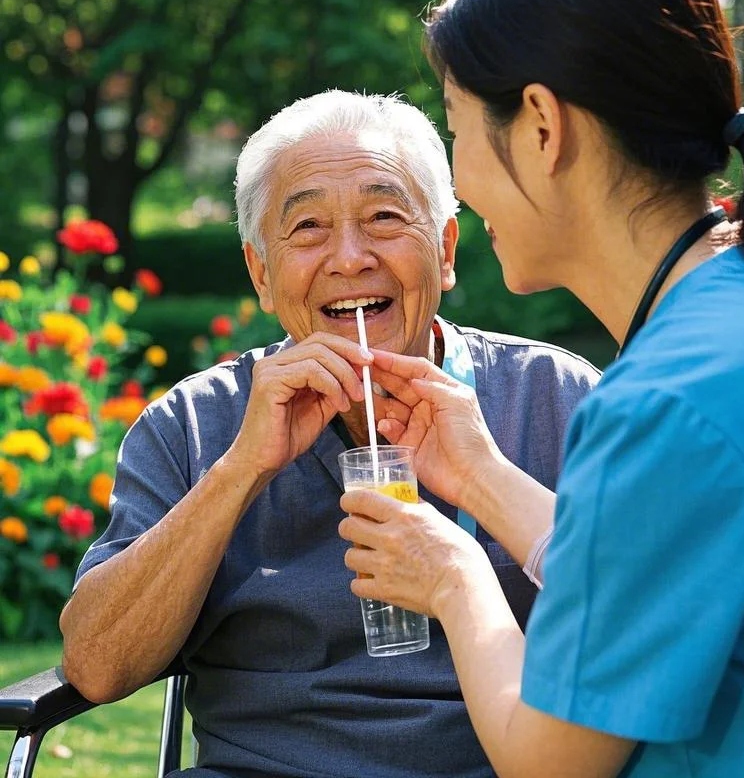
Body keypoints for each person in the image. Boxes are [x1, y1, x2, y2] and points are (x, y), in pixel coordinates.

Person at [338, 0, 744, 778]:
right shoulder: (735, 317)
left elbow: (552, 761)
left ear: (541, 125)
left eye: (457, 129)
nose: (457, 185)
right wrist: (485, 480)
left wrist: (454, 574)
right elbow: (661, 566)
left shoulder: (660, 401)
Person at [59, 89, 600, 778]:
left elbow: (650, 626)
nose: (349, 257)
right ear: (261, 272)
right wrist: (239, 472)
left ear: (446, 247)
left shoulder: (557, 398)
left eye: (383, 216)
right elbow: (96, 666)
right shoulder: (195, 425)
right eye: (308, 226)